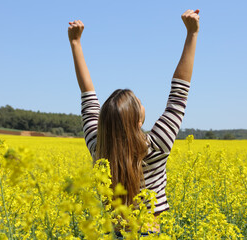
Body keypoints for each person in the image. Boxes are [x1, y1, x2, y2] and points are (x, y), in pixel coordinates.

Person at [68, 9, 199, 236]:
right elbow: (179, 94)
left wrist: (75, 43)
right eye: (140, 102)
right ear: (138, 120)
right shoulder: (157, 145)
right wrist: (192, 34)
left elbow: (87, 96)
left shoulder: (98, 147)